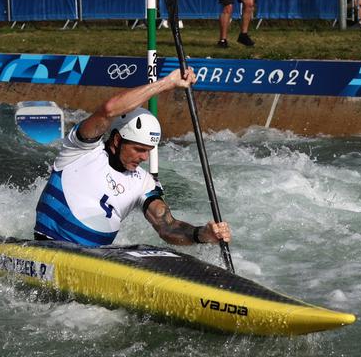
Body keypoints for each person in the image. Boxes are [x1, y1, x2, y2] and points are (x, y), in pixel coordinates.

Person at [33, 67, 232, 249]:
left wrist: (201, 234)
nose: (144, 157)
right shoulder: (81, 149)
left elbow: (168, 227)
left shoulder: (144, 182)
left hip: (94, 260)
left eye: (149, 150)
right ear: (118, 140)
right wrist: (167, 83)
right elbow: (109, 109)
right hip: (49, 246)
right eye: (138, 149)